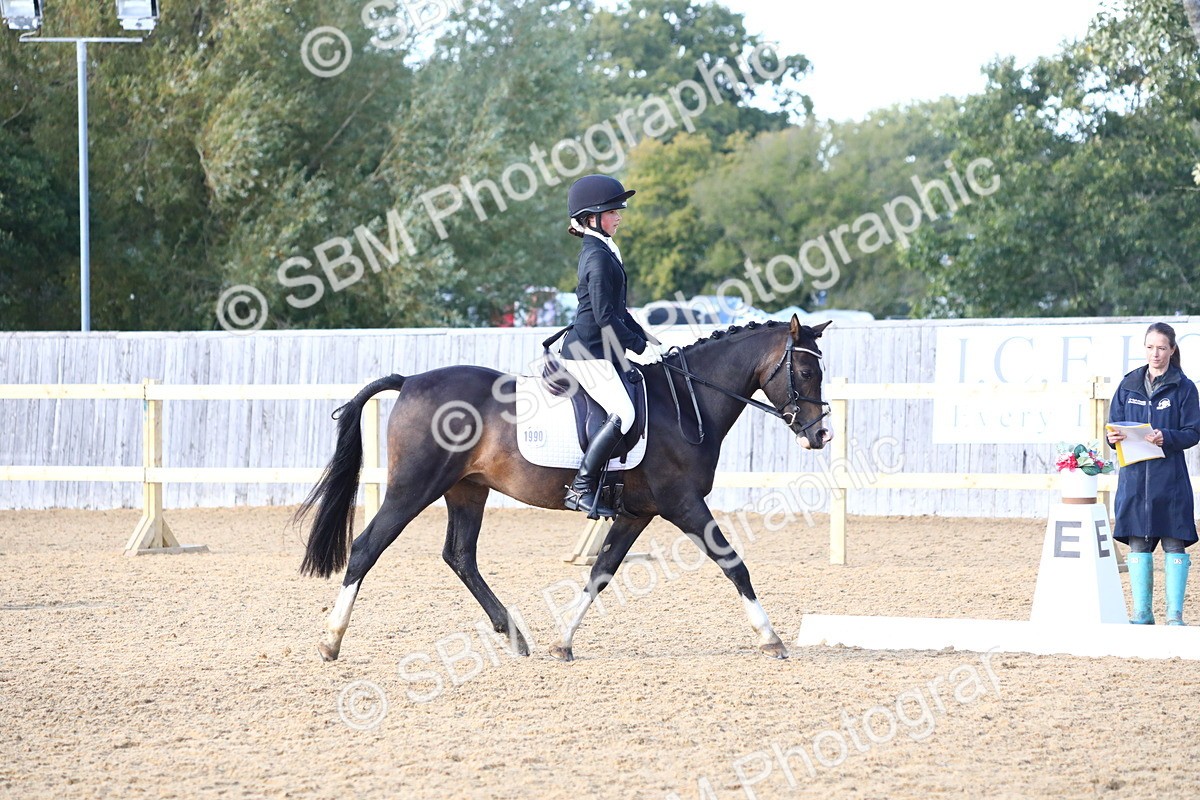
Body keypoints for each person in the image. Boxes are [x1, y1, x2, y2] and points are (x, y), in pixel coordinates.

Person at [557, 174, 658, 518]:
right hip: (586, 352)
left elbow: (620, 311)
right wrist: (637, 347)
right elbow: (604, 317)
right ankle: (581, 487)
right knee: (624, 413)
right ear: (591, 219)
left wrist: (647, 339)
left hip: (600, 349)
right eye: (613, 212)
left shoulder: (603, 250)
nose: (619, 218)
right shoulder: (597, 257)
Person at [1106, 322, 1200, 625]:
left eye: (1161, 348)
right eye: (1150, 347)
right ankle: (1142, 614)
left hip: (1170, 479)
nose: (1155, 354)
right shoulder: (1128, 384)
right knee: (1138, 543)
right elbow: (1112, 427)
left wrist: (1166, 437)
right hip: (1134, 479)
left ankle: (1174, 616)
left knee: (1174, 543)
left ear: (1172, 350)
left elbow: (1193, 432)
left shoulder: (1185, 387)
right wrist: (1112, 437)